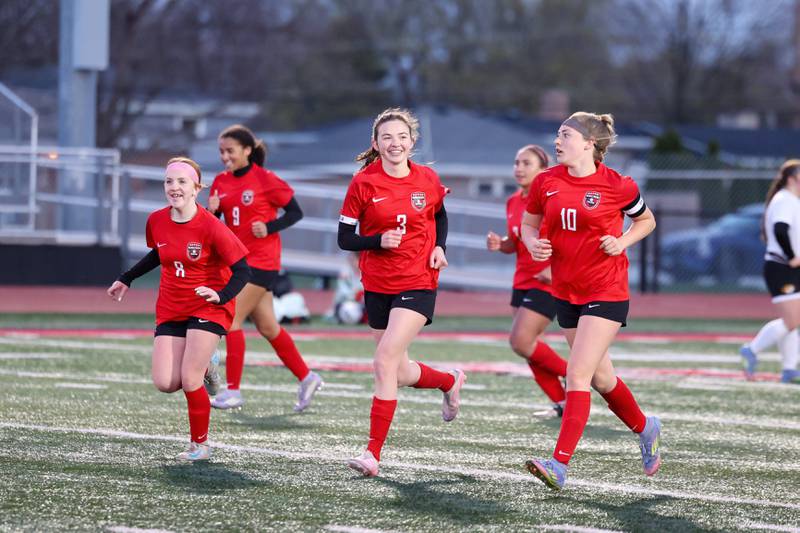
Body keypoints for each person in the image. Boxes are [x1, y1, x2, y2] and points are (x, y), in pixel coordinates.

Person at [520, 112, 661, 490]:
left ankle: (559, 464)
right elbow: (529, 223)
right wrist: (533, 243)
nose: (558, 140)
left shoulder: (618, 185)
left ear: (589, 144)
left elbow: (646, 221)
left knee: (577, 374)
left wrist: (622, 241)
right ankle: (647, 427)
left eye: (565, 134)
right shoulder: (546, 182)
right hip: (566, 291)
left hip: (607, 290)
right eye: (558, 134)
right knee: (601, 378)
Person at [338, 107, 466, 477]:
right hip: (377, 284)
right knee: (399, 370)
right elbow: (345, 238)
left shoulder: (427, 178)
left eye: (401, 137)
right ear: (376, 144)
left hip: (418, 280)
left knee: (382, 363)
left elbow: (439, 214)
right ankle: (449, 380)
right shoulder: (363, 183)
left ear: (412, 142)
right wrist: (377, 240)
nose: (395, 144)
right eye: (387, 138)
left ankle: (372, 453)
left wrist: (440, 247)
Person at [107, 157, 250, 461]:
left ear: (197, 188)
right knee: (165, 382)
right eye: (169, 181)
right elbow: (157, 254)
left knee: (189, 378)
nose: (174, 187)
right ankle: (210, 365)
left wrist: (221, 296)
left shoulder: (212, 226)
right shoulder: (156, 220)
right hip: (171, 306)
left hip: (208, 307)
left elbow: (242, 270)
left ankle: (200, 446)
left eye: (182, 181)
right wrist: (126, 278)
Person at [207, 124, 323, 412]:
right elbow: (216, 224)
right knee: (268, 327)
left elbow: (296, 212)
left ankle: (232, 390)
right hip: (238, 262)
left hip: (261, 262)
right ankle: (307, 377)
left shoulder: (265, 179)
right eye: (221, 151)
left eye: (230, 151)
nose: (225, 157)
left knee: (231, 320)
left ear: (247, 150)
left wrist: (269, 226)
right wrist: (212, 211)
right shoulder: (220, 181)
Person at [486, 144, 568, 417]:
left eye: (527, 163)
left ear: (543, 169)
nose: (519, 168)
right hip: (521, 280)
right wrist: (502, 244)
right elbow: (517, 241)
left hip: (548, 282)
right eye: (517, 162)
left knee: (521, 341)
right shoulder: (512, 201)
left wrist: (556, 270)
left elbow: (570, 240)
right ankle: (562, 402)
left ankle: (577, 377)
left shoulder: (551, 200)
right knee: (529, 348)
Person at [739, 160, 800, 383]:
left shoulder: (790, 200)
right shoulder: (785, 199)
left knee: (792, 320)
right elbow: (780, 229)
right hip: (782, 267)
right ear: (793, 178)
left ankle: (789, 369)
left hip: (786, 267)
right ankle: (751, 350)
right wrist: (792, 256)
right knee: (792, 320)